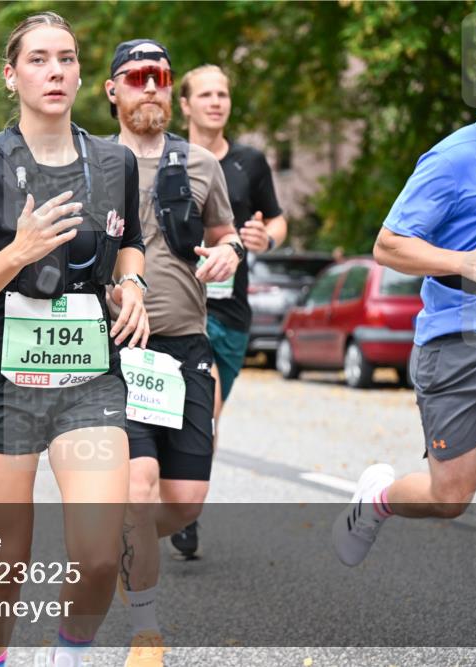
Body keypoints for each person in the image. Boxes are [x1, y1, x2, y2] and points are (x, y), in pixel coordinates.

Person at [0, 13, 149, 667]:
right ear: (11, 75)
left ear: (82, 73)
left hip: (88, 373)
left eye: (66, 58)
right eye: (38, 59)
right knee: (7, 558)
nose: (54, 70)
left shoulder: (113, 161)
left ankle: (68, 655)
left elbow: (130, 243)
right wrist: (18, 251)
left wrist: (133, 283)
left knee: (97, 553)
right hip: (2, 376)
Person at [330, 32, 476, 667]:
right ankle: (380, 498)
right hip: (455, 348)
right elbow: (389, 246)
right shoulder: (452, 161)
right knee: (451, 497)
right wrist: (465, 262)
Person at [104, 39, 240, 666]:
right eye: (137, 77)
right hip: (116, 349)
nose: (151, 87)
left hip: (186, 346)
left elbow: (224, 235)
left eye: (160, 76)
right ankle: (146, 632)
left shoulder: (201, 164)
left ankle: (112, 542)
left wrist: (229, 252)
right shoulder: (91, 163)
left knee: (184, 499)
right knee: (140, 482)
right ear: (114, 90)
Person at [170, 64, 288, 558]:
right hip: (173, 305)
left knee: (203, 414)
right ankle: (178, 500)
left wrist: (266, 238)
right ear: (186, 104)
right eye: (206, 94)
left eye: (223, 94)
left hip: (228, 313)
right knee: (187, 409)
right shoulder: (168, 158)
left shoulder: (249, 162)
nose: (216, 102)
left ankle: (184, 505)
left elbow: (276, 222)